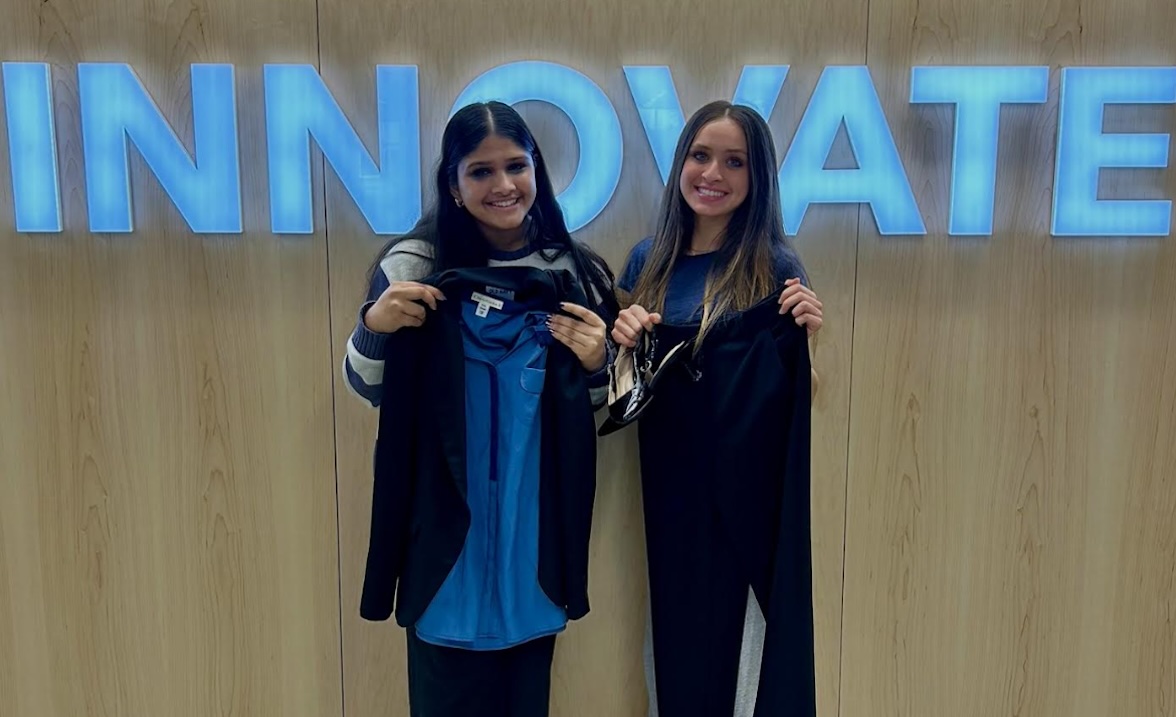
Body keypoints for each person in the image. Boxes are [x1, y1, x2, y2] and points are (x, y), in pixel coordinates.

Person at [343, 100, 620, 717]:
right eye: (481, 171)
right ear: (454, 183)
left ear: (537, 172)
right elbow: (366, 387)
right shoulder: (415, 266)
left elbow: (598, 417)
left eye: (516, 166)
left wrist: (597, 364)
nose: (503, 186)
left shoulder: (575, 272)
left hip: (533, 545)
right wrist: (375, 325)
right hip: (441, 547)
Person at [610, 101, 825, 717]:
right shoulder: (646, 262)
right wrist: (622, 340)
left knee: (741, 667)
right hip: (660, 492)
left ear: (757, 179)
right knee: (667, 663)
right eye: (702, 156)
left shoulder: (773, 267)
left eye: (736, 162)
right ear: (681, 163)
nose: (714, 174)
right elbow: (624, 392)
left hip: (740, 500)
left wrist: (809, 346)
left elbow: (796, 401)